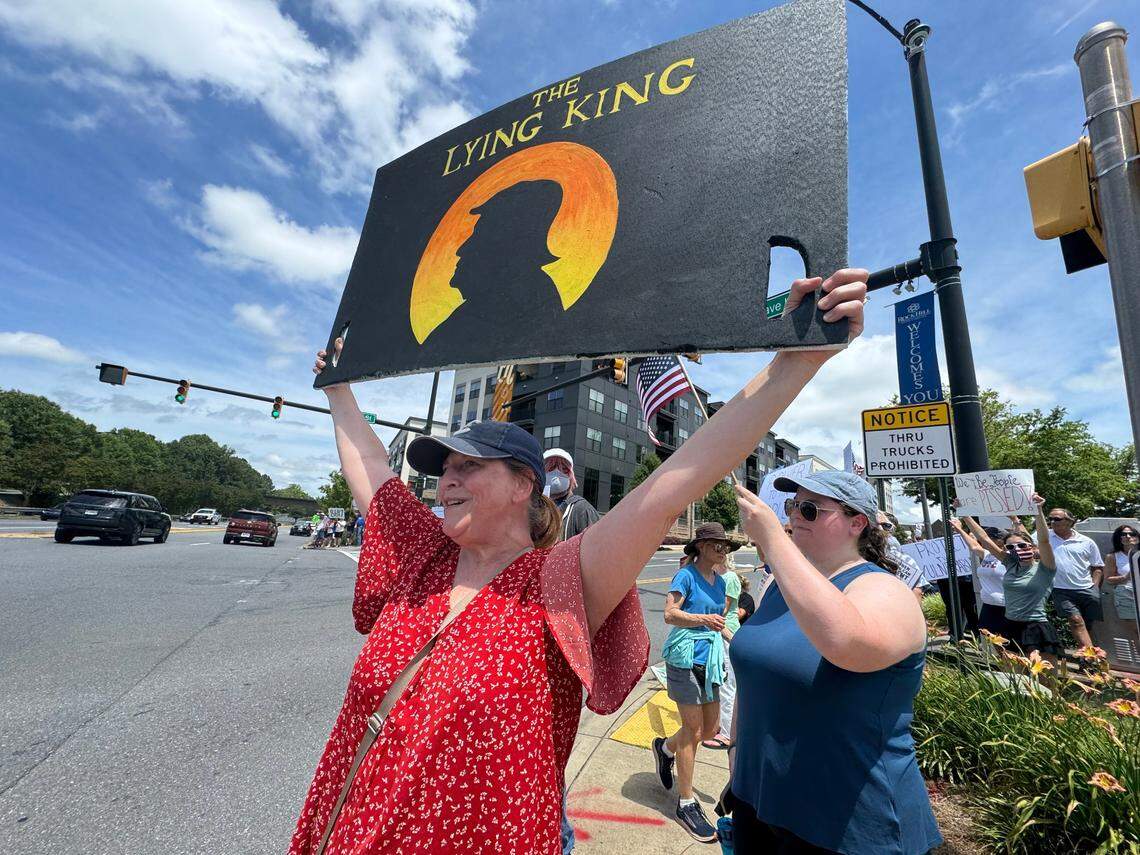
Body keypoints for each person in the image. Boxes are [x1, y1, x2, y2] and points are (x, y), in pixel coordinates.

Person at [290, 269, 871, 854]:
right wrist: (339, 391)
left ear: (524, 485)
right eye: (444, 471)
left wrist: (796, 362)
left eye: (468, 466)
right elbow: (372, 467)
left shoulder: (559, 582)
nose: (447, 482)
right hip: (346, 832)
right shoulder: (424, 556)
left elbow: (678, 478)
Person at [729, 471, 942, 853]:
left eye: (810, 509)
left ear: (857, 523)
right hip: (759, 803)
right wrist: (736, 753)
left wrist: (773, 540)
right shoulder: (779, 585)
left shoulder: (886, 590)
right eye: (793, 506)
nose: (795, 516)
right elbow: (754, 673)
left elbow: (845, 644)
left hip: (848, 824)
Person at [653, 522, 737, 842]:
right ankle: (686, 803)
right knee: (692, 730)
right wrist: (702, 619)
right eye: (717, 544)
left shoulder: (721, 581)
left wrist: (739, 645)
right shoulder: (685, 576)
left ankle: (664, 748)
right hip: (685, 657)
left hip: (710, 659)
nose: (723, 550)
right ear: (701, 547)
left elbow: (719, 623)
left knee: (710, 730)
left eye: (725, 545)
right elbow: (670, 614)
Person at [543, 448, 600, 855]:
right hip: (535, 623)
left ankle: (561, 837)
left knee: (551, 740)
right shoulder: (537, 509)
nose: (556, 474)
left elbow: (595, 563)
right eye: (549, 467)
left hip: (564, 629)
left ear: (573, 476)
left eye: (562, 468)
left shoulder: (579, 511)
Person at [964, 496, 1059, 667]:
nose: (1016, 550)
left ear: (1032, 546)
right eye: (1010, 547)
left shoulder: (1045, 567)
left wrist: (1038, 510)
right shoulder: (1010, 564)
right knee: (1015, 676)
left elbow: (1044, 540)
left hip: (1036, 627)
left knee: (1044, 679)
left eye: (1022, 546)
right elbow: (984, 540)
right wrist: (965, 514)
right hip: (1010, 625)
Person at [1047, 507, 1104, 648]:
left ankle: (1085, 654)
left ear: (1069, 521)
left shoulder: (1086, 541)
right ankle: (1091, 658)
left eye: (1057, 519)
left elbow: (1097, 567)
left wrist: (1095, 588)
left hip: (1086, 588)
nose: (1052, 522)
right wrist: (1016, 520)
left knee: (1088, 625)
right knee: (1076, 620)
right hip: (1061, 589)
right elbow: (1024, 537)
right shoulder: (1044, 537)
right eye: (1050, 519)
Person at [957, 517, 1012, 639]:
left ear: (1000, 541)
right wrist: (959, 529)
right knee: (994, 642)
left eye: (990, 538)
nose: (984, 542)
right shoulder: (987, 555)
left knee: (1008, 642)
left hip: (1005, 607)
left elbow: (983, 538)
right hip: (988, 606)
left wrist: (966, 516)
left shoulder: (1008, 557)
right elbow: (974, 546)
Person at [543, 448, 599, 541]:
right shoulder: (534, 508)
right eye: (551, 468)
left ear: (571, 475)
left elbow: (595, 544)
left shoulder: (582, 510)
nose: (557, 473)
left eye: (564, 469)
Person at [1104, 524, 1139, 622]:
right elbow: (1108, 579)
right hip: (1126, 595)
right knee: (1134, 627)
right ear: (1118, 538)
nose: (1128, 536)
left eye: (1132, 534)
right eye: (1124, 534)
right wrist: (1126, 576)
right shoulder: (1113, 557)